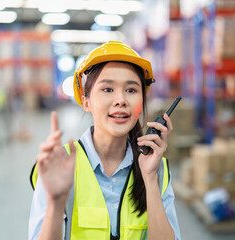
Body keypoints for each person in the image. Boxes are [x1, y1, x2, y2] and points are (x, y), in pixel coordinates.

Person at [28, 41, 181, 240]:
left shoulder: (157, 169)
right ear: (86, 102)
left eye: (131, 90)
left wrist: (150, 179)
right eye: (107, 89)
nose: (121, 100)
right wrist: (56, 202)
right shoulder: (57, 165)